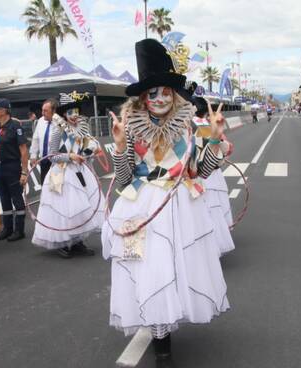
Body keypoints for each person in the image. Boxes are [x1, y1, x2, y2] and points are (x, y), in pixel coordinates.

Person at [101, 39, 229, 360]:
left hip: (181, 207)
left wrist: (213, 138)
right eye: (153, 93)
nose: (160, 98)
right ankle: (161, 341)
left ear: (174, 94)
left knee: (175, 268)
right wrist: (119, 146)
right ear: (143, 98)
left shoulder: (189, 126)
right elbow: (125, 177)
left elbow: (200, 171)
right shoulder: (130, 127)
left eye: (166, 92)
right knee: (148, 268)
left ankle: (164, 330)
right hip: (139, 205)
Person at [32, 93, 104, 258]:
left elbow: (85, 147)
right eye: (71, 112)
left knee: (80, 208)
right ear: (64, 114)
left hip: (79, 172)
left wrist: (90, 151)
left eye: (76, 111)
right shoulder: (57, 130)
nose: (74, 115)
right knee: (65, 209)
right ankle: (64, 243)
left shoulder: (81, 129)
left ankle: (77, 242)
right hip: (62, 174)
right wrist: (70, 156)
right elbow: (51, 155)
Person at [192, 96, 235, 256]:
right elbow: (228, 148)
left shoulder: (190, 125)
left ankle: (207, 248)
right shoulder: (209, 125)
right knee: (215, 209)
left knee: (203, 212)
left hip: (199, 175)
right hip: (213, 173)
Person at [0, 98, 29, 241]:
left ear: (3, 111)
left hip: (12, 166)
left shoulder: (15, 126)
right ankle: (7, 228)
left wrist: (24, 171)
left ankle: (19, 230)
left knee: (16, 198)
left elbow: (23, 150)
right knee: (4, 198)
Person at [30, 99, 58, 184]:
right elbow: (36, 139)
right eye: (42, 110)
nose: (42, 113)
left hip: (57, 162)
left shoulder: (60, 123)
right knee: (45, 186)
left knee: (57, 188)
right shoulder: (41, 121)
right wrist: (33, 155)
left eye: (45, 111)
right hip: (44, 161)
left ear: (53, 111)